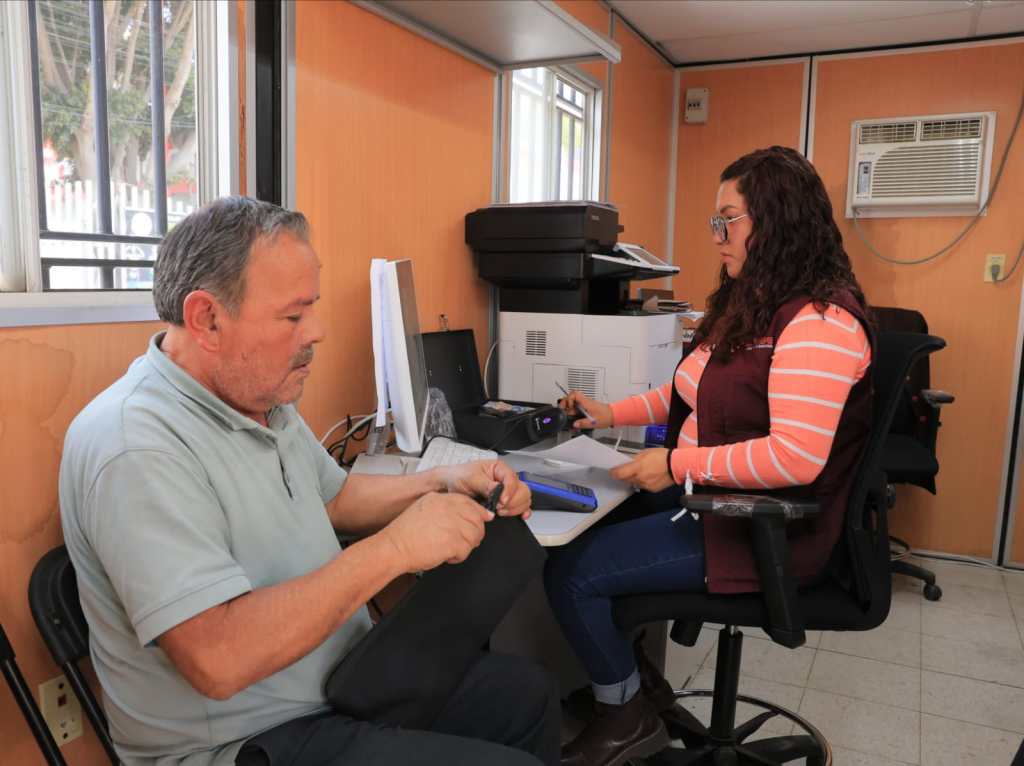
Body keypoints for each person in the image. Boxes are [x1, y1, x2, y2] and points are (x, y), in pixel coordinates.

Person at [58, 197, 559, 766]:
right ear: (207, 319)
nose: (316, 332)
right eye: (293, 316)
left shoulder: (259, 399)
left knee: (527, 697)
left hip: (343, 681)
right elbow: (218, 660)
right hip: (245, 739)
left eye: (311, 309)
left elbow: (336, 499)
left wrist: (443, 481)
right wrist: (395, 549)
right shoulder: (135, 447)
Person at [548, 146, 874, 766]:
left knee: (574, 574)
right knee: (586, 524)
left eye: (729, 221)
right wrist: (611, 413)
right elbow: (688, 389)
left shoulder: (821, 321)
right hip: (715, 499)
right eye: (714, 222)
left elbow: (796, 458)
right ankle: (640, 690)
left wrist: (675, 465)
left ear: (777, 220)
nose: (717, 236)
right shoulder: (752, 302)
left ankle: (624, 717)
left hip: (766, 525)